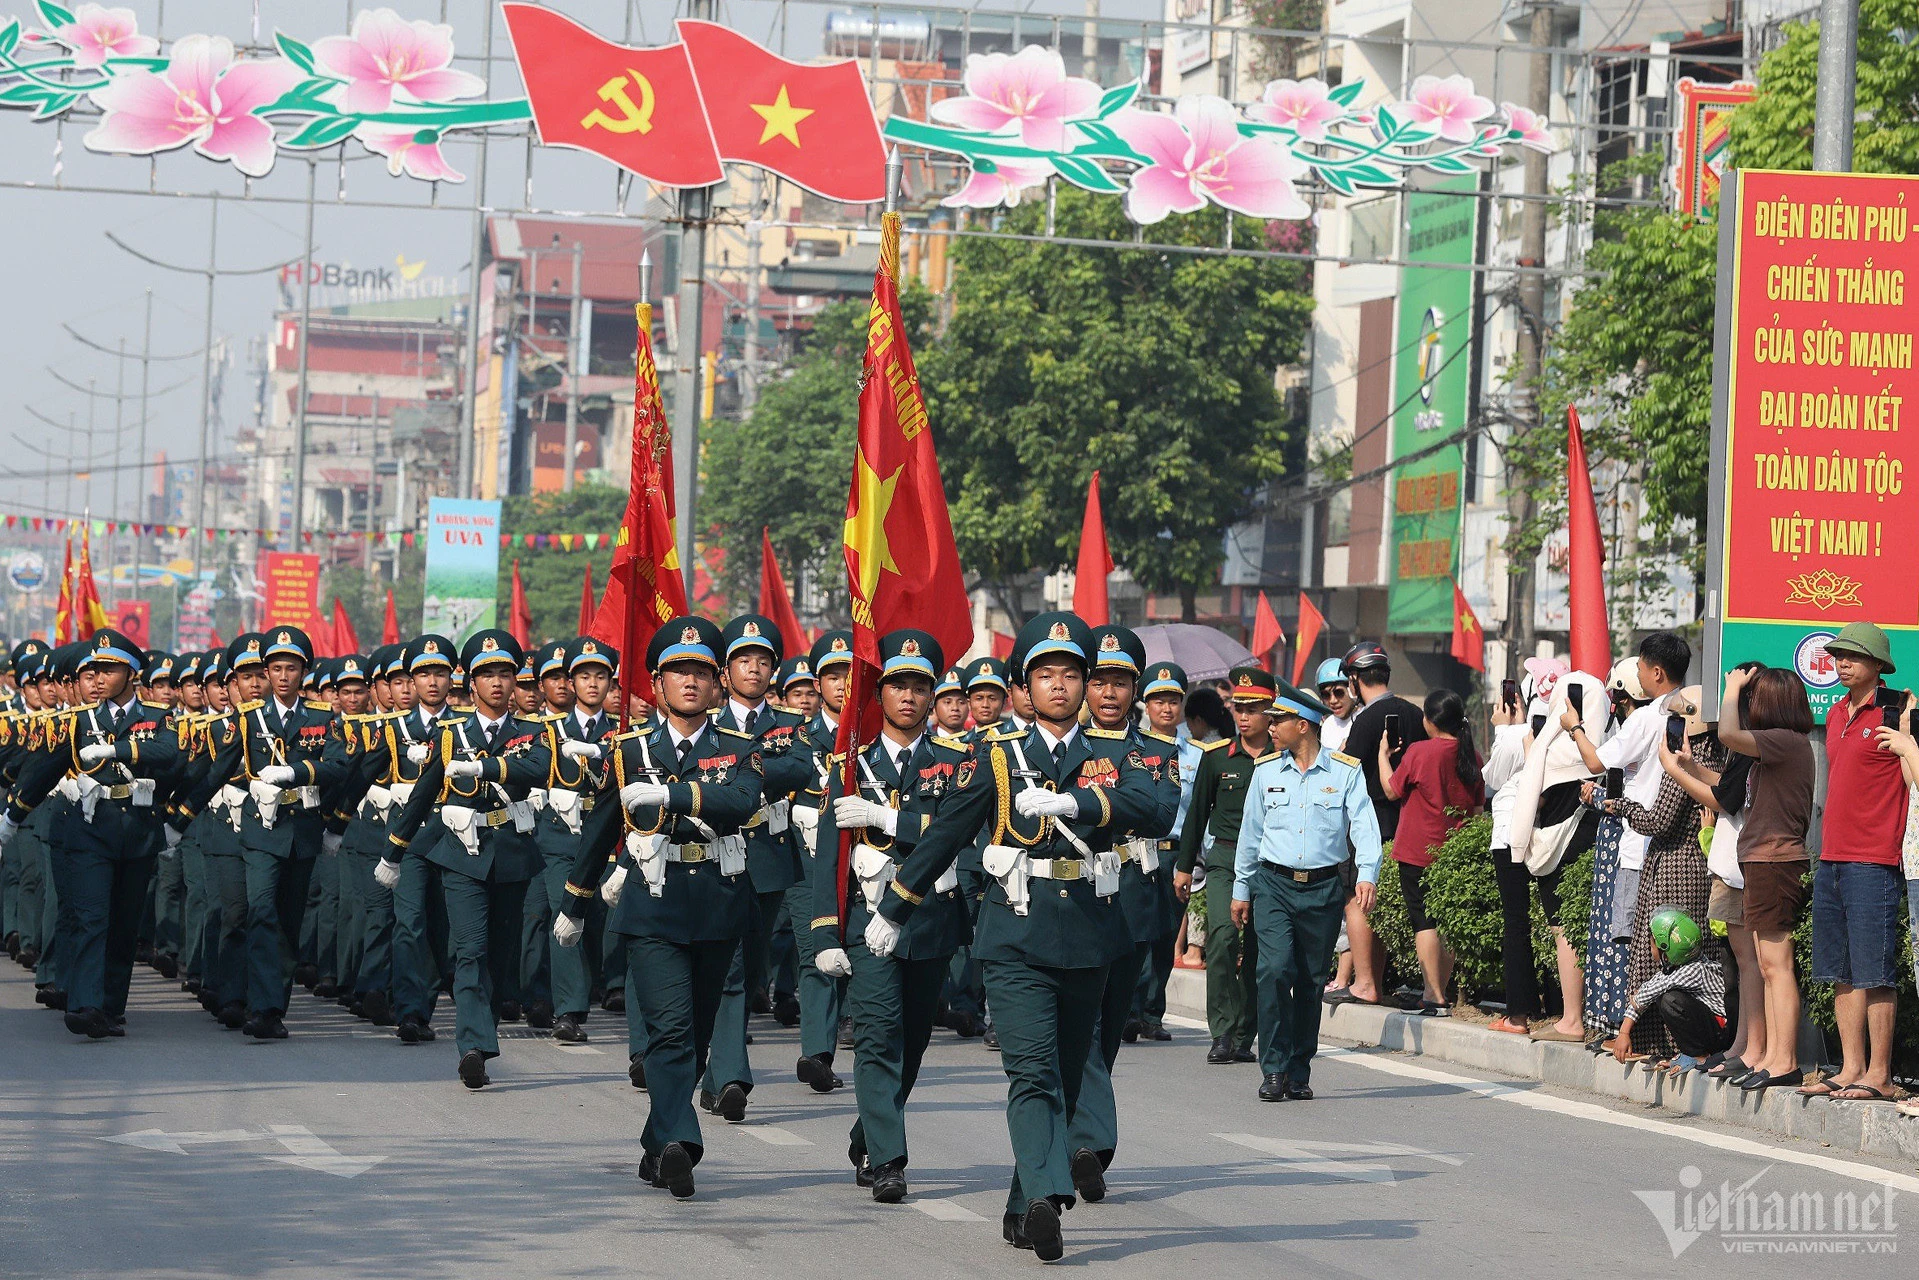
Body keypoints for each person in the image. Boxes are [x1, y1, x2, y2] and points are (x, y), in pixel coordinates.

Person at [861, 611, 1155, 1262]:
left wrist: (1083, 804)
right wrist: (895, 907)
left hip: (1090, 935)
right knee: (1031, 1074)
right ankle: (1050, 1196)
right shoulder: (997, 756)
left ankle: (1024, 1201)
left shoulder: (1117, 750)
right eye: (1044, 674)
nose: (1058, 685)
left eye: (1070, 674)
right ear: (1023, 685)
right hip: (1014, 936)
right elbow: (944, 833)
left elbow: (1157, 806)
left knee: (1070, 1080)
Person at [555, 614, 763, 1200]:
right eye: (677, 671)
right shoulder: (627, 751)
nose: (690, 682)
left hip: (719, 903)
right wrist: (575, 901)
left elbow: (740, 802)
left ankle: (655, 1144)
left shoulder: (739, 749)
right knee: (670, 1031)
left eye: (700, 671)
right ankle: (680, 1143)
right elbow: (600, 829)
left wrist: (673, 792)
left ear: (718, 681)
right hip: (652, 903)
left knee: (695, 1034)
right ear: (656, 682)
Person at [810, 628, 969, 1203]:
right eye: (897, 684)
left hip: (928, 922)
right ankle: (890, 1160)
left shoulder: (960, 764)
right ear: (879, 694)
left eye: (919, 686)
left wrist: (888, 818)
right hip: (866, 919)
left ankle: (869, 1131)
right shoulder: (849, 765)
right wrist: (825, 930)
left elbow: (958, 836)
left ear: (933, 695)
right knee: (877, 1038)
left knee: (912, 1043)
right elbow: (829, 852)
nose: (908, 696)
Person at [380, 630, 553, 1089]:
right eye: (486, 674)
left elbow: (539, 770)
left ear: (516, 680)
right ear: (470, 683)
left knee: (500, 952)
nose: (496, 682)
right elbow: (424, 792)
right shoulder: (451, 733)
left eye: (505, 673)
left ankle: (485, 1024)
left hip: (512, 853)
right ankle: (473, 1045)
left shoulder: (534, 732)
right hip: (461, 853)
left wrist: (489, 768)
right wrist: (395, 851)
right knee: (470, 949)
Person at [0, 630, 179, 1039]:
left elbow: (169, 753)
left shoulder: (156, 716)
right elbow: (45, 769)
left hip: (136, 828)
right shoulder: (78, 720)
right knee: (90, 915)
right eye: (93, 670)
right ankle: (84, 1004)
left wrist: (119, 751)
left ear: (131, 673)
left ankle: (111, 1006)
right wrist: (12, 817)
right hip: (88, 827)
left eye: (109, 670)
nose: (97, 678)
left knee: (123, 922)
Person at [176, 627, 349, 1041]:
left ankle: (274, 1005)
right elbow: (217, 769)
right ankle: (262, 1007)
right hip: (260, 831)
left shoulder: (324, 718)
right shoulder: (249, 718)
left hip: (303, 830)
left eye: (292, 668)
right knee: (261, 912)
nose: (284, 676)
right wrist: (177, 817)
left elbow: (340, 767)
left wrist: (296, 772)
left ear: (304, 671)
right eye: (276, 668)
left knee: (288, 923)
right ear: (267, 673)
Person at [1064, 625, 1179, 1203]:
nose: (1109, 693)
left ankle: (1080, 1132)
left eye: (1120, 682)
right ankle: (1087, 1143)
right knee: (1079, 1028)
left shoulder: (1158, 753)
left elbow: (1159, 813)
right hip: (1073, 901)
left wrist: (1091, 807)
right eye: (1100, 680)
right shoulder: (1066, 746)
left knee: (1108, 1029)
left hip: (1130, 899)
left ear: (1135, 689)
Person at [1231, 682, 1380, 1101]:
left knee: (1311, 982)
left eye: (1278, 721)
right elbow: (1250, 835)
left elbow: (1365, 826)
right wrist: (1242, 888)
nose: (1271, 727)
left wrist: (1367, 873)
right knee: (1274, 971)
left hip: (1322, 890)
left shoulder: (1345, 772)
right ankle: (1274, 1068)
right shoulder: (1264, 772)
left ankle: (1299, 1069)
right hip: (1273, 886)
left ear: (1303, 725)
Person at [701, 614, 819, 1108]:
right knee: (728, 968)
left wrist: (742, 768)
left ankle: (711, 1076)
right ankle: (731, 1076)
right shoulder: (707, 724)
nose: (754, 668)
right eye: (743, 660)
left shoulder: (790, 723)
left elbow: (800, 767)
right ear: (725, 673)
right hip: (719, 856)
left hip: (769, 858)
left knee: (754, 967)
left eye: (763, 661)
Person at [1811, 622, 1906, 1103]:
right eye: (1838, 655)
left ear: (1877, 665)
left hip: (1874, 859)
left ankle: (1880, 1073)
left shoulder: (1898, 710)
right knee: (1840, 970)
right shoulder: (1834, 715)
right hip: (1831, 857)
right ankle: (1851, 1068)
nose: (1842, 662)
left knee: (1875, 972)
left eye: (1853, 655)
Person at [1174, 667, 1277, 1063]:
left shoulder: (1281, 759)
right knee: (1221, 938)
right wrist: (1185, 868)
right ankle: (1221, 1031)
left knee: (1257, 951)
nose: (1244, 715)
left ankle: (1244, 1032)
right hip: (1225, 861)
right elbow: (1197, 814)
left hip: (1269, 864)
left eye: (1253, 708)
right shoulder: (1217, 758)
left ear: (1271, 712)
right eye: (1239, 707)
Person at [528, 637, 620, 1044]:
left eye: (601, 676)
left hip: (607, 835)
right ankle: (569, 1009)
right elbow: (531, 769)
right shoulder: (548, 731)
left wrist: (600, 751)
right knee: (565, 912)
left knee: (606, 914)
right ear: (572, 682)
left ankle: (612, 984)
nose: (593, 684)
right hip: (560, 836)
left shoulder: (623, 733)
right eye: (585, 676)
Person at [1378, 688, 1485, 1015]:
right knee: (1446, 922)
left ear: (1429, 720)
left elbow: (1390, 790)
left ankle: (1432, 993)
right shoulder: (1472, 755)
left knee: (1423, 922)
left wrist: (1383, 756)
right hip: (1454, 853)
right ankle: (1442, 991)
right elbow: (1479, 809)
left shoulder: (1419, 752)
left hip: (1417, 851)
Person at [1337, 642, 1425, 1005]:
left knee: (1356, 902)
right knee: (1382, 902)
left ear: (1356, 680)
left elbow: (1345, 773)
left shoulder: (1365, 721)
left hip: (1366, 824)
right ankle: (1374, 982)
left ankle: (1365, 982)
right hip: (1406, 823)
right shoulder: (1416, 714)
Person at [1130, 661, 1190, 1039]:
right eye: (1158, 701)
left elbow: (1200, 812)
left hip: (1176, 852)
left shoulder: (1199, 754)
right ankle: (1129, 1009)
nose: (1166, 709)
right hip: (1138, 850)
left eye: (1173, 701)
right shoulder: (1132, 747)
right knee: (1135, 932)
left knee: (1166, 935)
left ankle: (1153, 1012)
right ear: (1145, 706)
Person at [1613, 909, 1732, 1067]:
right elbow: (1651, 987)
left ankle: (1698, 1056)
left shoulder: (1691, 971)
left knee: (1670, 1000)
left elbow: (1645, 994)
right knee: (1665, 996)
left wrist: (1624, 1033)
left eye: (1652, 943)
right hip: (1719, 1029)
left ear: (1665, 948)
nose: (1651, 948)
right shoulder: (1688, 963)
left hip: (1724, 1033)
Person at [1314, 658, 1355, 752]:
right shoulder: (1328, 725)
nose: (1333, 700)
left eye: (1339, 693)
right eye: (1326, 695)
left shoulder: (1364, 718)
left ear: (1352, 690)